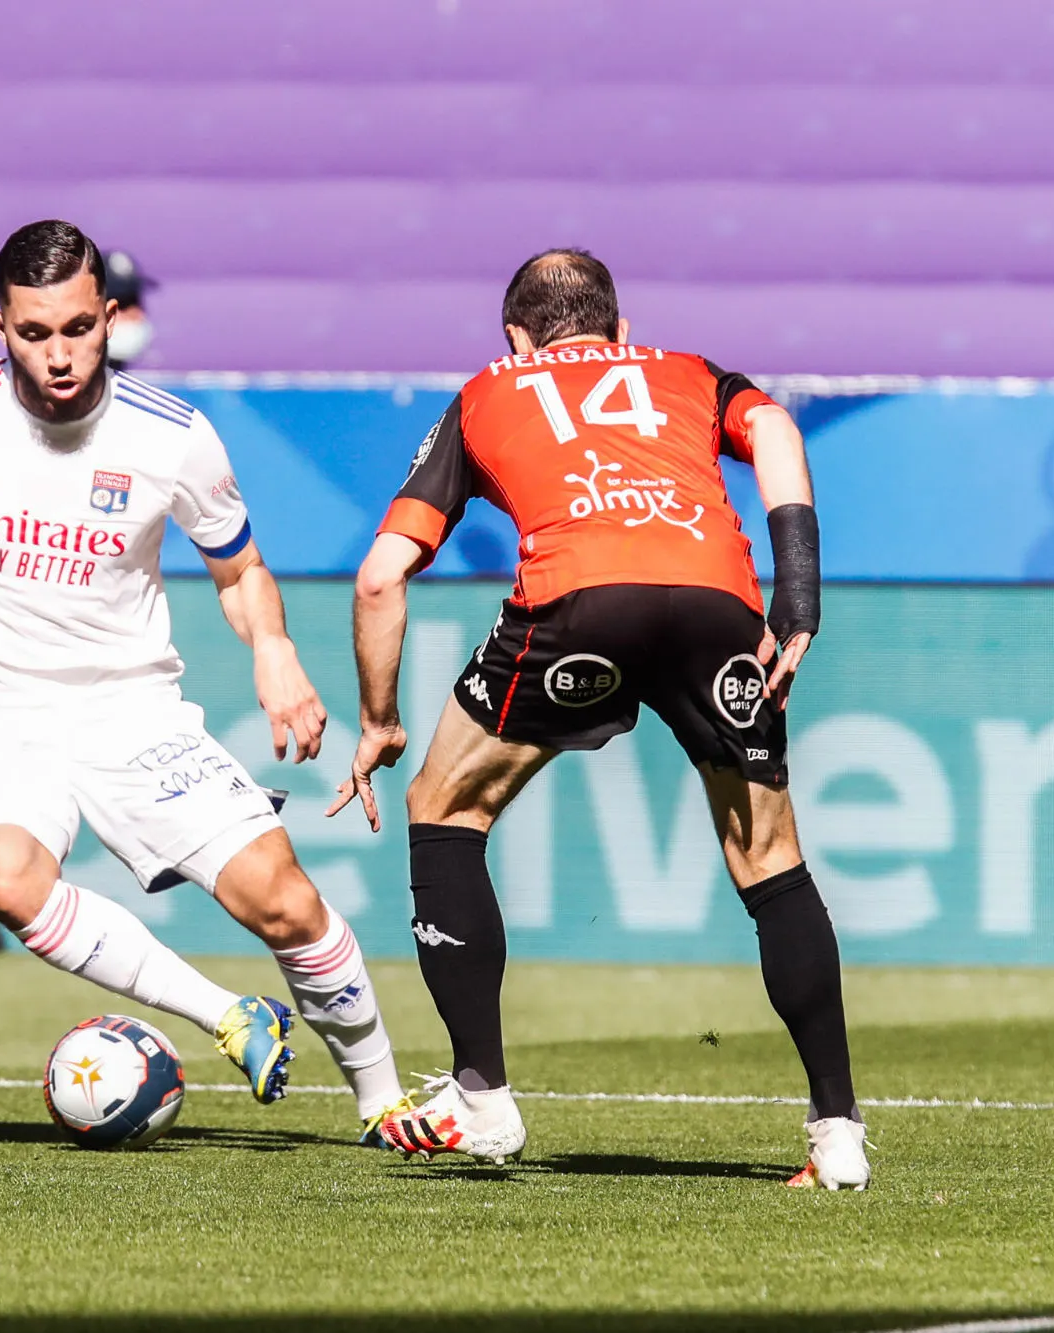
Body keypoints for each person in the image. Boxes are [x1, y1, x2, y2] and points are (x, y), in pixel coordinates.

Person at [0, 219, 406, 1135]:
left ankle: (383, 1101)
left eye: (77, 328)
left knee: (280, 897)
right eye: (34, 334)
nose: (59, 354)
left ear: (109, 317)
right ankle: (227, 1013)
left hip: (130, 709)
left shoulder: (173, 437)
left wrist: (272, 649)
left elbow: (240, 567)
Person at [328, 249, 869, 1188]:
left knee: (444, 809)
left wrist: (377, 719)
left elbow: (380, 574)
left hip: (578, 604)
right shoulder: (690, 373)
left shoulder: (487, 390)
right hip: (716, 602)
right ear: (620, 330)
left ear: (515, 336)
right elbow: (775, 426)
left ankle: (482, 1095)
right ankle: (837, 1136)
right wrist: (799, 592)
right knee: (770, 861)